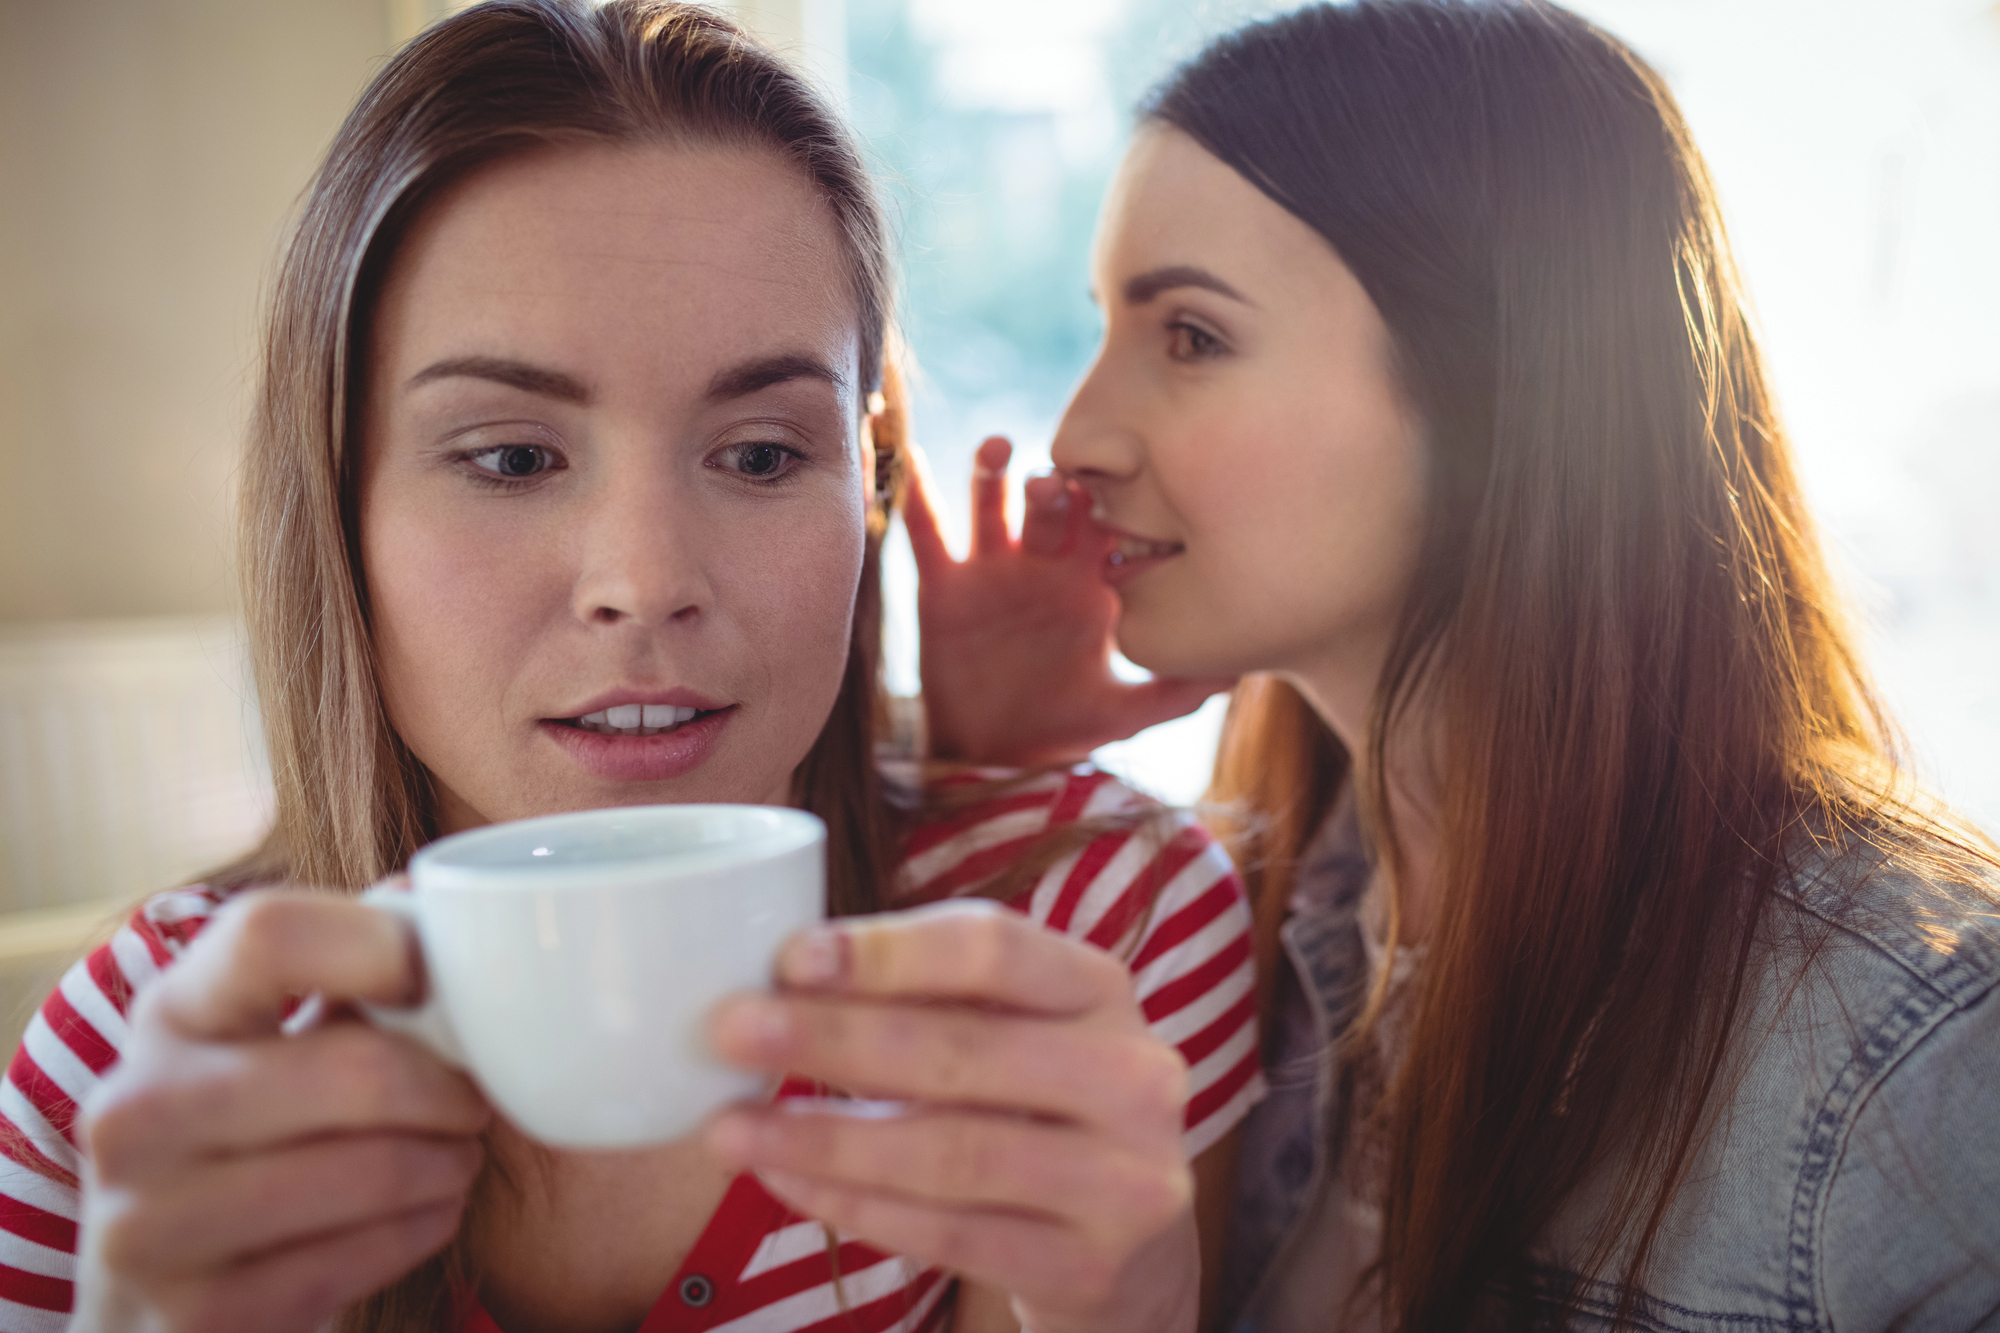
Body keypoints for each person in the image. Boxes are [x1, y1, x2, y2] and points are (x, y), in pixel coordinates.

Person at [0, 5, 1262, 1332]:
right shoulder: (142, 1059)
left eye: (764, 454)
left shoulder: (1090, 934)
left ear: (871, 484)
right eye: (511, 458)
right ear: (340, 506)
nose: (645, 578)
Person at [908, 2, 2000, 1329]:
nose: (1077, 436)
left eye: (1190, 337)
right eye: (1103, 332)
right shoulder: (1232, 910)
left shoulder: (1917, 1056)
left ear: (1490, 389)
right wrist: (1005, 777)